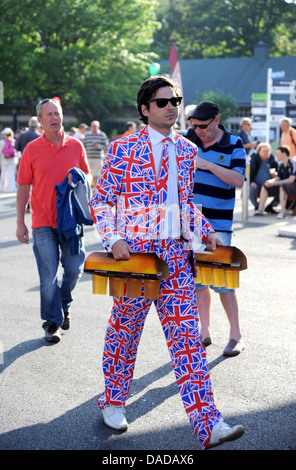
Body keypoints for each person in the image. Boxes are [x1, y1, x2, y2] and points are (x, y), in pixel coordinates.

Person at [90, 76, 245, 450]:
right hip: (137, 258)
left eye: (175, 100)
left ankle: (209, 424)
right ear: (145, 109)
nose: (172, 106)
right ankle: (112, 400)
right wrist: (113, 239)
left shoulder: (188, 150)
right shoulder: (122, 148)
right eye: (162, 102)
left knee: (189, 341)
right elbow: (102, 201)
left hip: (177, 257)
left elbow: (186, 205)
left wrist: (205, 232)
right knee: (124, 333)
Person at [16, 98, 91, 343]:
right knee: (48, 275)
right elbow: (23, 186)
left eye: (57, 113)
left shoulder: (76, 146)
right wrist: (20, 221)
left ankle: (64, 303)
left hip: (71, 223)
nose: (54, 118)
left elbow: (86, 180)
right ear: (40, 121)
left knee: (73, 269)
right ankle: (51, 323)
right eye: (48, 114)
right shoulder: (31, 149)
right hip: (42, 222)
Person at [186, 101, 246, 357]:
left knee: (224, 283)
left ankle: (236, 335)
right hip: (192, 224)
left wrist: (208, 165)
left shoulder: (234, 143)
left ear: (216, 120)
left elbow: (239, 181)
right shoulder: (189, 139)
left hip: (220, 225)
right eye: (195, 126)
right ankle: (204, 331)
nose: (198, 131)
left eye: (203, 126)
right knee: (199, 283)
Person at [254, 145, 296, 219]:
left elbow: (291, 180)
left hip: (293, 187)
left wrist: (275, 183)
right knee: (265, 185)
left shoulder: (293, 163)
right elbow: (277, 178)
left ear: (284, 154)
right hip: (282, 186)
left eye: (278, 153)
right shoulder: (281, 164)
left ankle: (282, 212)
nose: (276, 155)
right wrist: (270, 182)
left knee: (283, 186)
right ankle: (260, 210)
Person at [249, 142, 278, 214]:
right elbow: (249, 173)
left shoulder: (272, 159)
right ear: (259, 152)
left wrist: (275, 175)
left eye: (267, 151)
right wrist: (251, 182)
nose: (266, 153)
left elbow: (279, 171)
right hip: (257, 185)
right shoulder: (254, 160)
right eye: (264, 151)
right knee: (251, 190)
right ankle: (257, 206)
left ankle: (270, 207)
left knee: (282, 189)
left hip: (268, 185)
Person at [83, 120, 108, 189]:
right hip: (88, 157)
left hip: (98, 158)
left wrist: (99, 146)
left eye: (95, 126)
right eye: (92, 126)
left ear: (98, 127)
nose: (94, 128)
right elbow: (83, 146)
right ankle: (88, 189)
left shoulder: (102, 135)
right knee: (88, 174)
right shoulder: (87, 135)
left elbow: (106, 146)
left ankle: (95, 189)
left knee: (97, 174)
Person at [0, 127, 18, 193]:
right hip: (13, 160)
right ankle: (11, 188)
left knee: (4, 173)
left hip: (4, 160)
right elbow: (17, 151)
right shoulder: (14, 141)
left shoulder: (2, 142)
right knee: (11, 174)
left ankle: (3, 188)